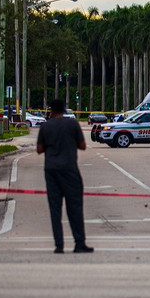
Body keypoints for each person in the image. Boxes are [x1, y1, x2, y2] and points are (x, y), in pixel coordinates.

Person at [36, 98, 93, 254]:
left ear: (51, 111)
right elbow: (83, 146)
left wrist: (51, 144)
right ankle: (79, 243)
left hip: (51, 170)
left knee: (55, 209)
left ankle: (59, 245)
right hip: (69, 169)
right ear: (64, 110)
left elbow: (39, 149)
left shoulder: (45, 126)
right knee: (75, 207)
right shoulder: (72, 124)